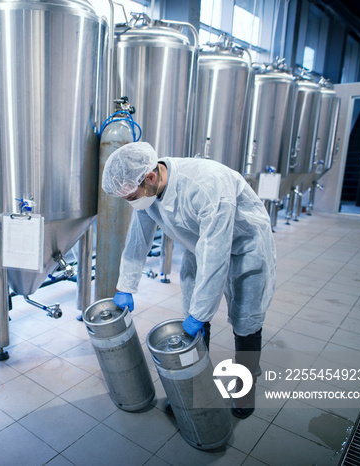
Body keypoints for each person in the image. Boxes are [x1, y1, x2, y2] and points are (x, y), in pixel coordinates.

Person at [101, 141, 276, 419]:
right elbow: (138, 239)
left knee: (246, 322)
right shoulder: (147, 192)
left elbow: (216, 257)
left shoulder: (206, 185)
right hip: (200, 243)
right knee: (194, 320)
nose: (131, 202)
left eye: (131, 197)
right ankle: (196, 388)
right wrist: (126, 285)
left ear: (150, 177)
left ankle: (245, 389)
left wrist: (200, 313)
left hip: (245, 248)